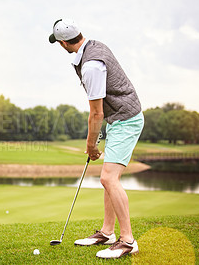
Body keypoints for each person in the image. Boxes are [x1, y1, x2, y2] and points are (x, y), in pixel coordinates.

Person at [49, 18, 144, 259]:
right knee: (109, 179)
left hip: (126, 119)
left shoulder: (91, 65)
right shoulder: (94, 45)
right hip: (117, 119)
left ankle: (128, 241)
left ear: (62, 43)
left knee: (108, 178)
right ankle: (107, 232)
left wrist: (91, 145)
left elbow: (96, 112)